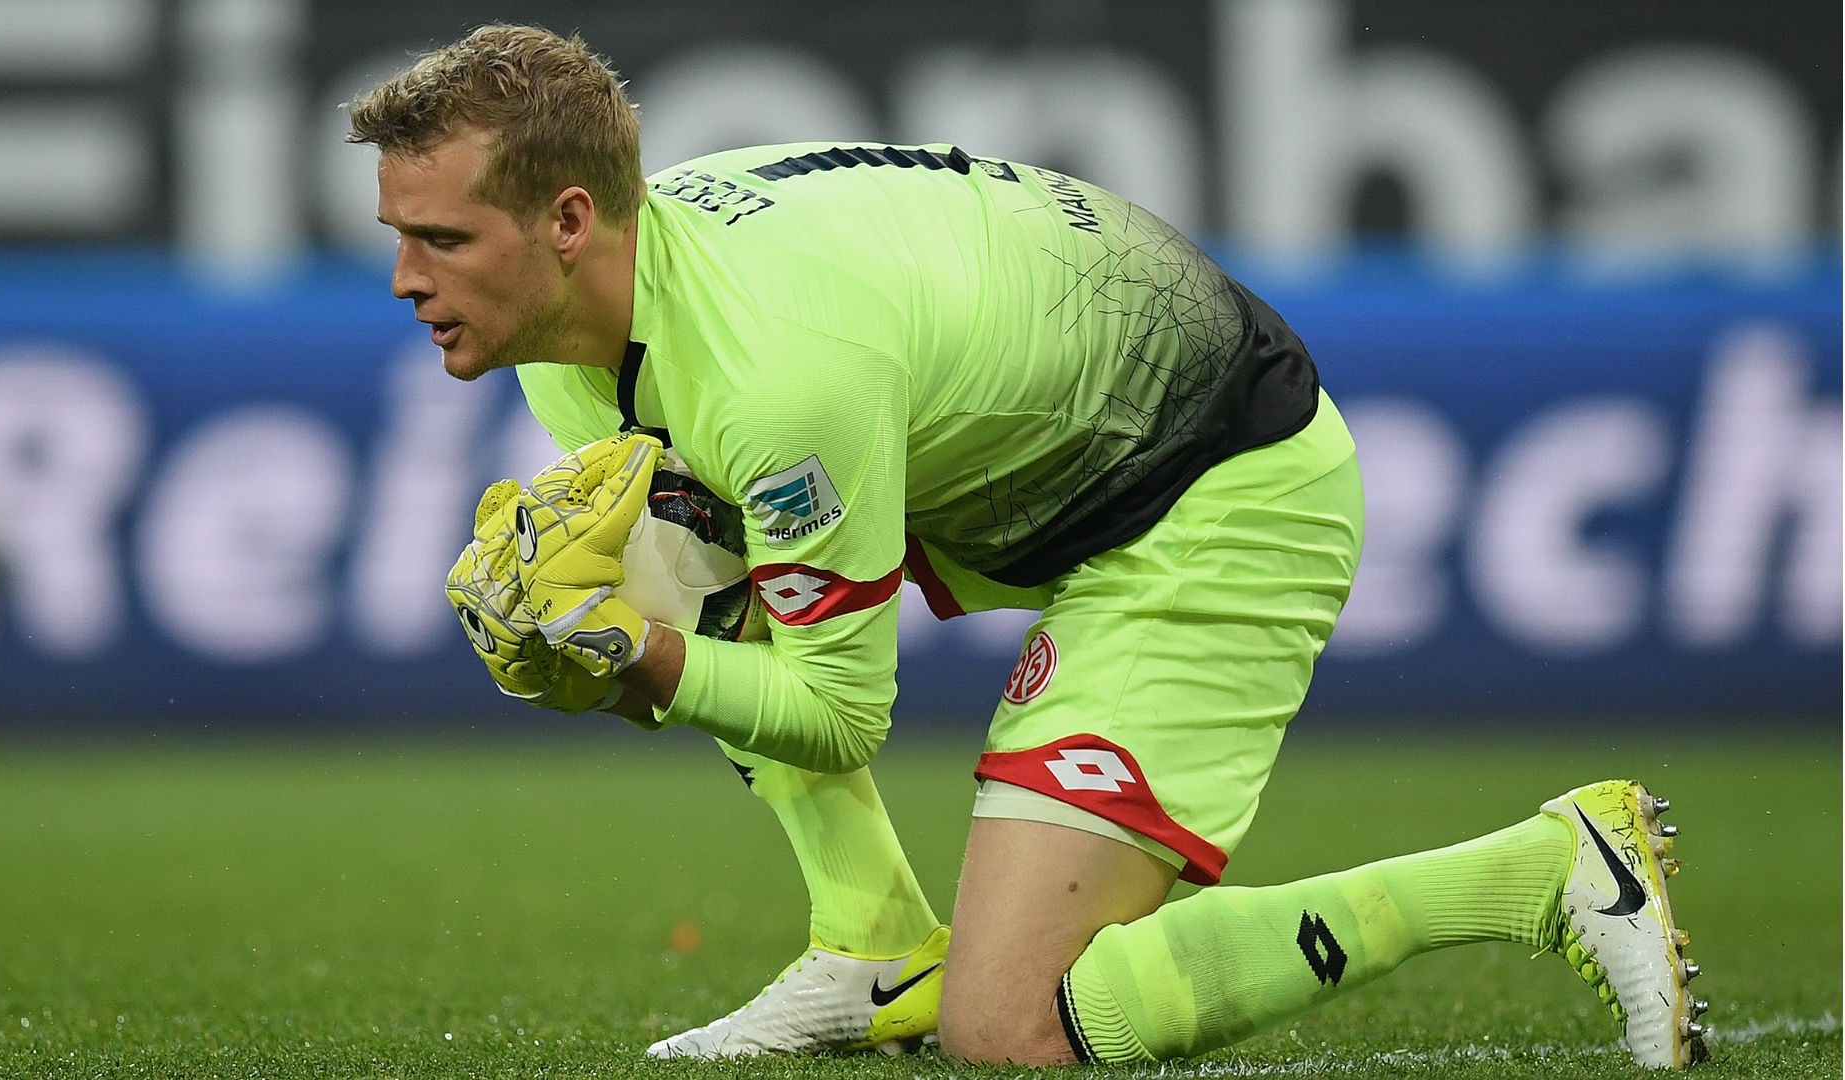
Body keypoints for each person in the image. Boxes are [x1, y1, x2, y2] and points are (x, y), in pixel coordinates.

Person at [349, 24, 1708, 1069]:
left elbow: (839, 711)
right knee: (672, 558)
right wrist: (645, 636)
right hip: (1034, 463)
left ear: (570, 222)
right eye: (398, 238)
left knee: (1013, 1028)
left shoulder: (776, 377)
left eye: (441, 238)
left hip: (1215, 491)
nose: (406, 277)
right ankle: (872, 945)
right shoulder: (580, 330)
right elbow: (723, 603)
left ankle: (1545, 873)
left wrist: (631, 651)